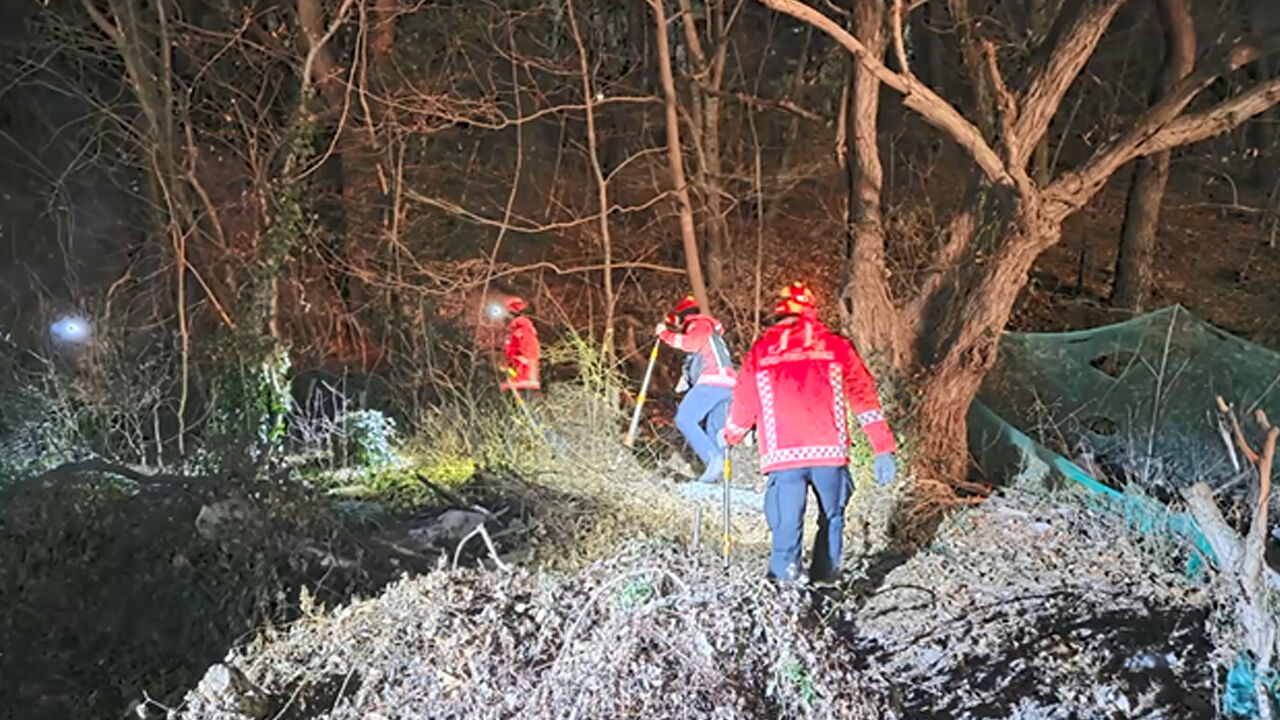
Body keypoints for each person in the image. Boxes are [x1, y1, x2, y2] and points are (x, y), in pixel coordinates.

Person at [723, 282, 897, 583]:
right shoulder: (836, 347)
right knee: (832, 519)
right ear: (811, 313)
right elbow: (864, 397)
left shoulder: (761, 352)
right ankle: (825, 584)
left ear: (777, 316)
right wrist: (882, 447)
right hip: (829, 454)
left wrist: (730, 436)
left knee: (786, 525)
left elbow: (744, 404)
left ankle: (784, 587)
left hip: (783, 456)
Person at [656, 295, 737, 483]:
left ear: (682, 317)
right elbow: (696, 358)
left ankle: (713, 461)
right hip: (729, 386)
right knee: (715, 432)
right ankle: (721, 481)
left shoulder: (698, 324)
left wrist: (664, 334)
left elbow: (690, 344)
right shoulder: (712, 334)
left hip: (713, 381)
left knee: (684, 418)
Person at [498, 296, 540, 399]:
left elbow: (529, 354)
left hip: (524, 381)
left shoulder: (522, 331)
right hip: (518, 380)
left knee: (522, 408)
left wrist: (518, 367)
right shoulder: (515, 332)